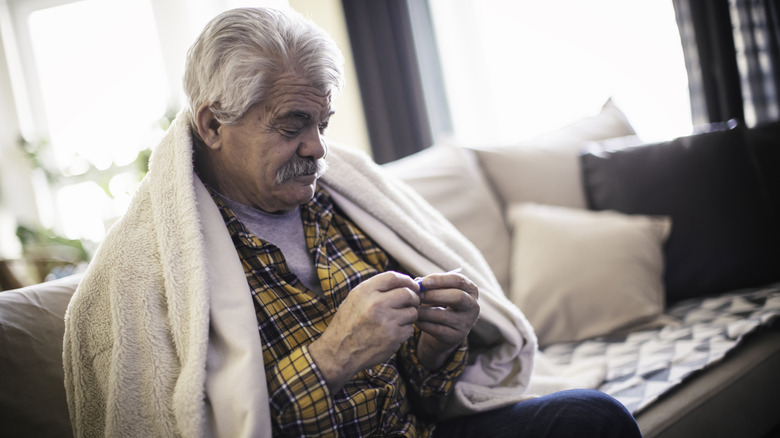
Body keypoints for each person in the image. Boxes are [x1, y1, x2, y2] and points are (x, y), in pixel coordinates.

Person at [63, 7, 642, 438]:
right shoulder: (147, 269)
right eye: (292, 124)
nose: (318, 150)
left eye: (323, 123)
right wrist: (331, 359)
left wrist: (438, 349)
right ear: (213, 125)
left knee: (593, 419)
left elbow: (426, 397)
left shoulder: (339, 201)